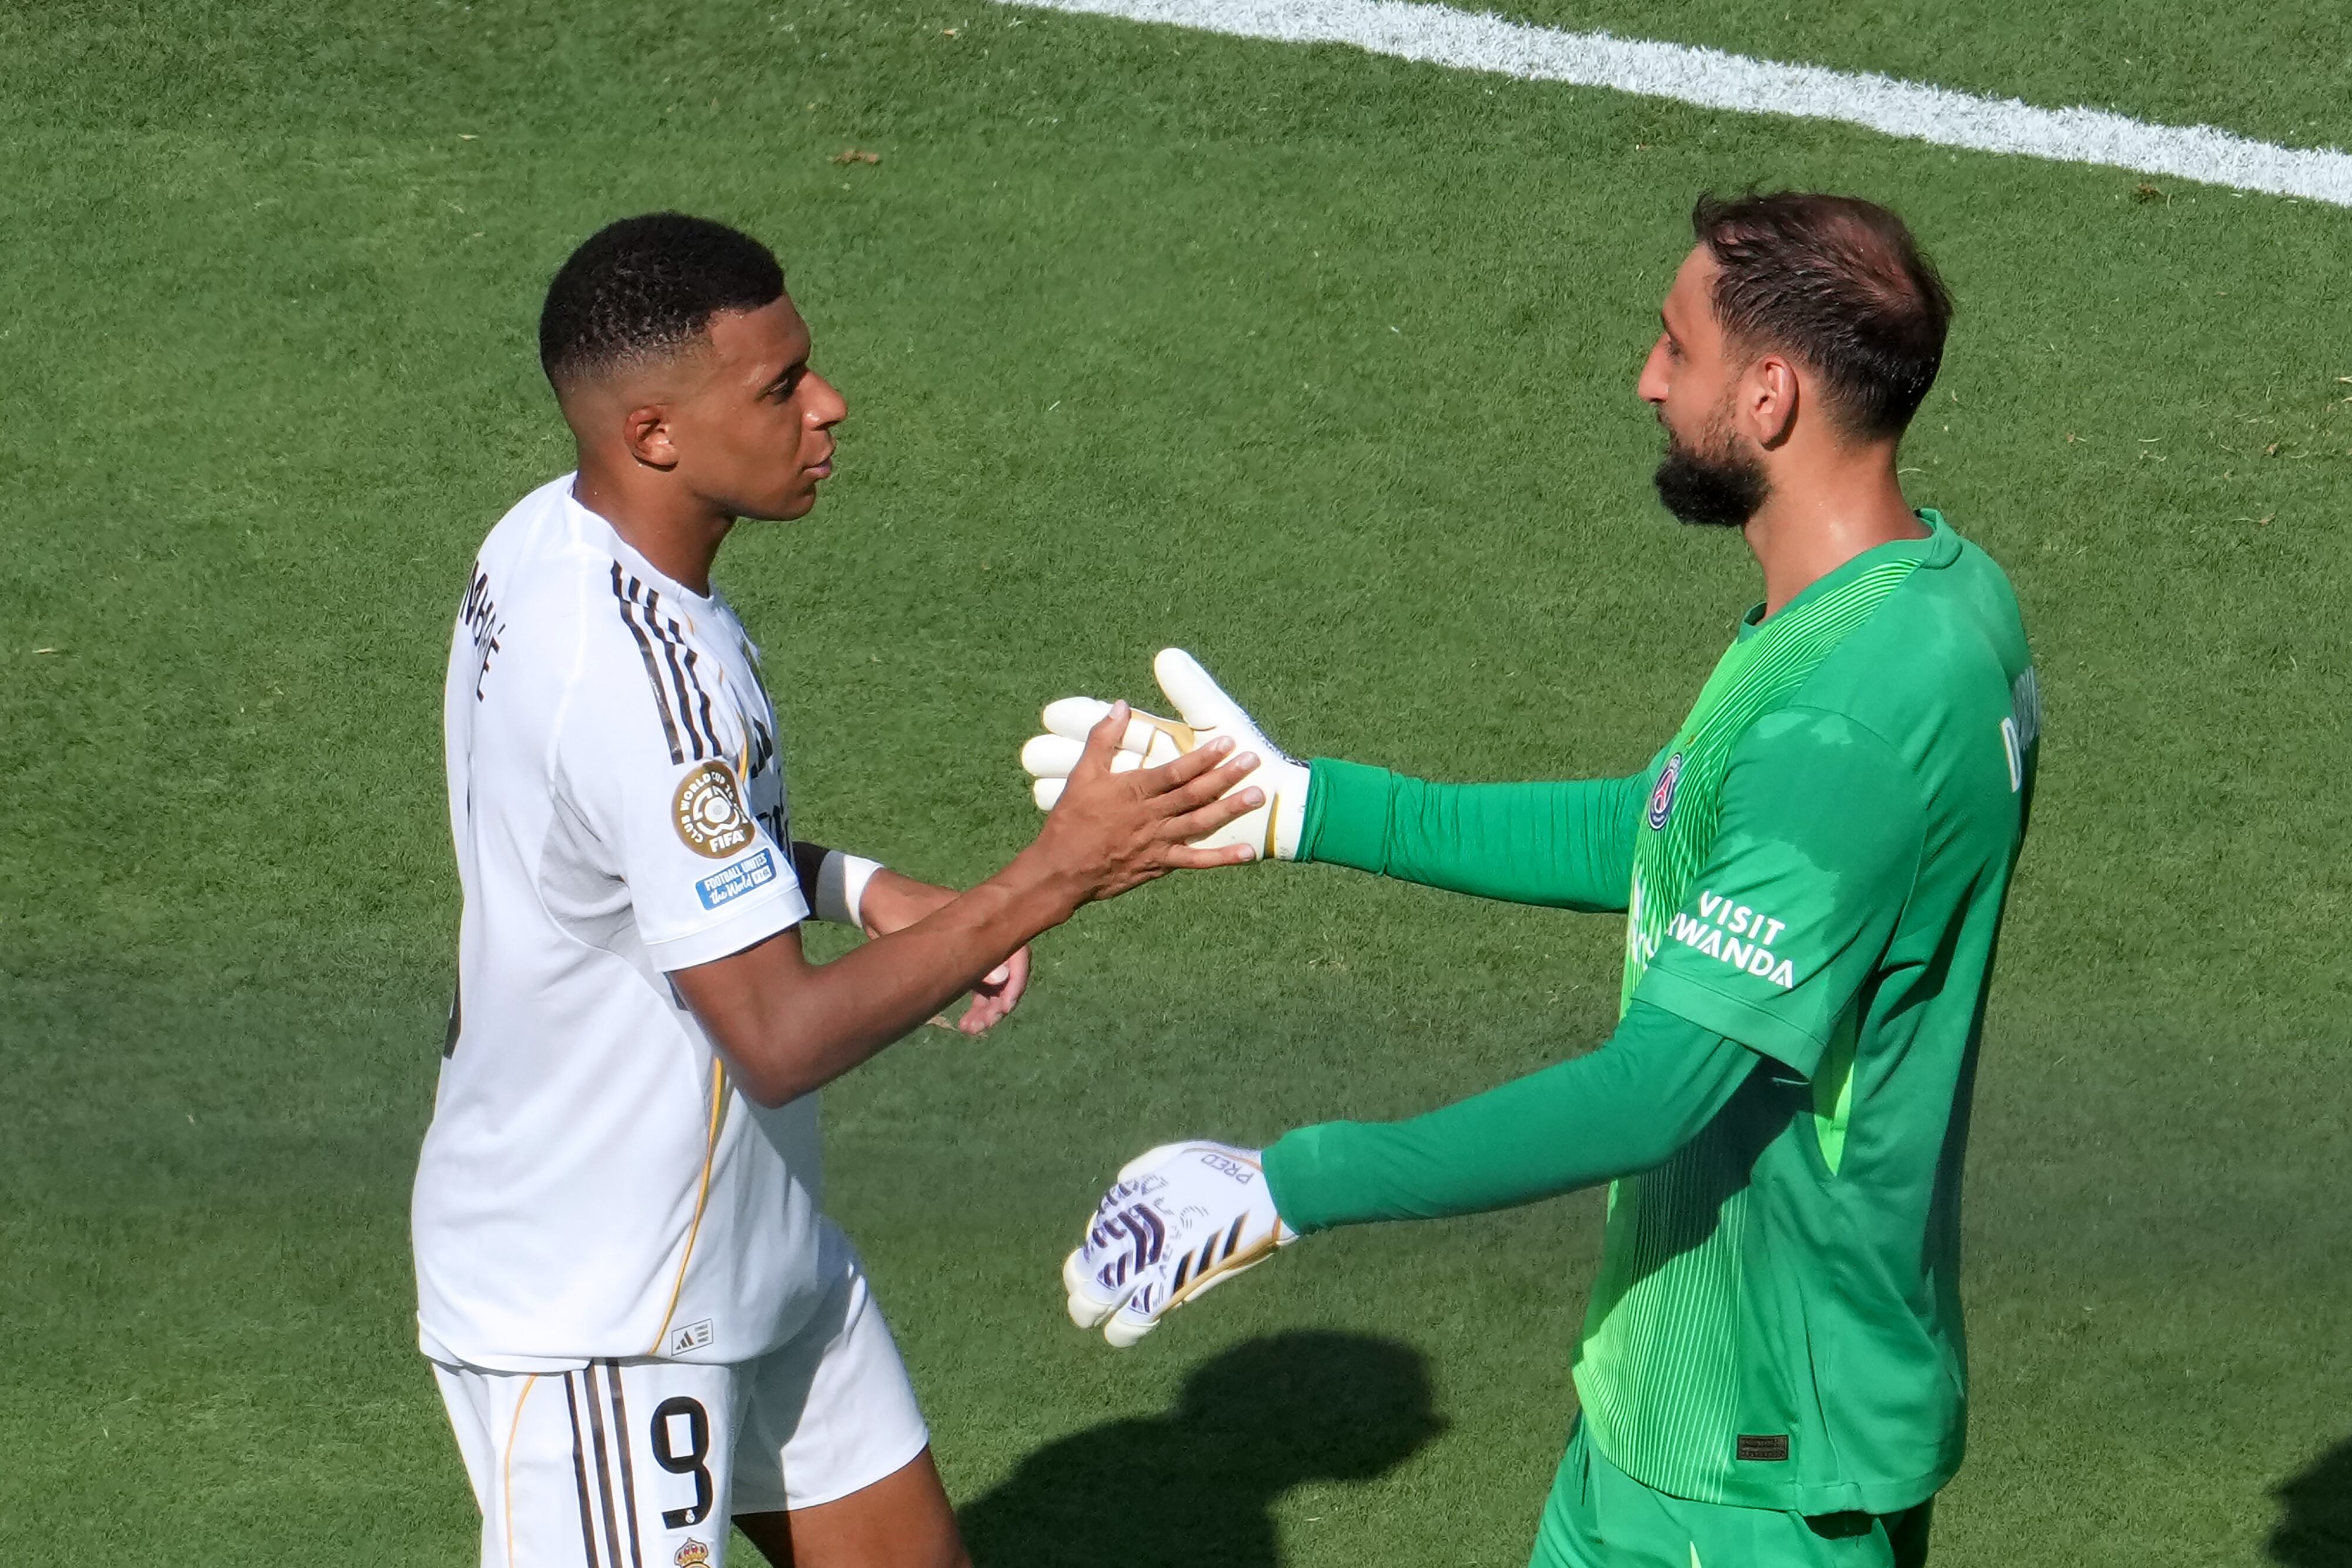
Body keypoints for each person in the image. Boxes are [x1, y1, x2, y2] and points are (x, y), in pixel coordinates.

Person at [1028, 192, 2041, 1568]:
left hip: (1756, 1455)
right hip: (1665, 1400)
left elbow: (1654, 1090)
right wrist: (1310, 807)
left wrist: (1289, 1183)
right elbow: (1672, 827)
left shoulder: (1845, 721)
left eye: (1673, 347)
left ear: (1768, 393)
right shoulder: (1927, 597)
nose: (1645, 380)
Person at [414, 213, 1264, 1568]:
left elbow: (636, 857)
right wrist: (1056, 871)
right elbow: (777, 1033)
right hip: (604, 1313)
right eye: (778, 389)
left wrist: (856, 886)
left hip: (746, 1241)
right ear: (653, 433)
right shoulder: (637, 679)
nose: (828, 405)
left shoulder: (547, 542)